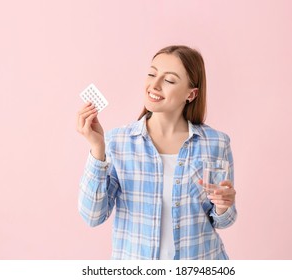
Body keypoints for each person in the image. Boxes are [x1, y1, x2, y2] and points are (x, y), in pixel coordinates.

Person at [76, 45, 237, 260]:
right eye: (152, 74)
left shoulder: (217, 143)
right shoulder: (118, 142)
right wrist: (97, 150)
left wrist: (224, 206)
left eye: (169, 80)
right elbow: (92, 216)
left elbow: (223, 220)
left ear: (191, 94)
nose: (155, 84)